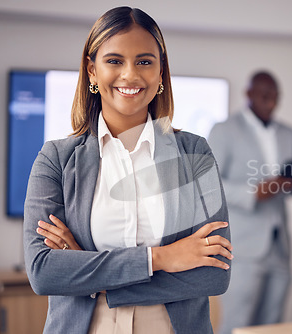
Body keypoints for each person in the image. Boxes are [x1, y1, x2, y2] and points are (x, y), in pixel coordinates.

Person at [23, 7, 232, 334]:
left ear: (161, 72)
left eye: (145, 62)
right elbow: (43, 272)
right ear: (92, 71)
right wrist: (161, 258)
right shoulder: (56, 159)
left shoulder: (194, 153)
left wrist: (92, 277)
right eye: (115, 61)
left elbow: (214, 274)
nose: (130, 75)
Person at [208, 71, 292, 334]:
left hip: (280, 244)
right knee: (238, 324)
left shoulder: (288, 133)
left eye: (275, 97)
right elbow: (207, 184)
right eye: (264, 96)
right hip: (243, 247)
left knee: (272, 325)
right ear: (248, 95)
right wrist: (254, 192)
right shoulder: (224, 130)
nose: (271, 103)